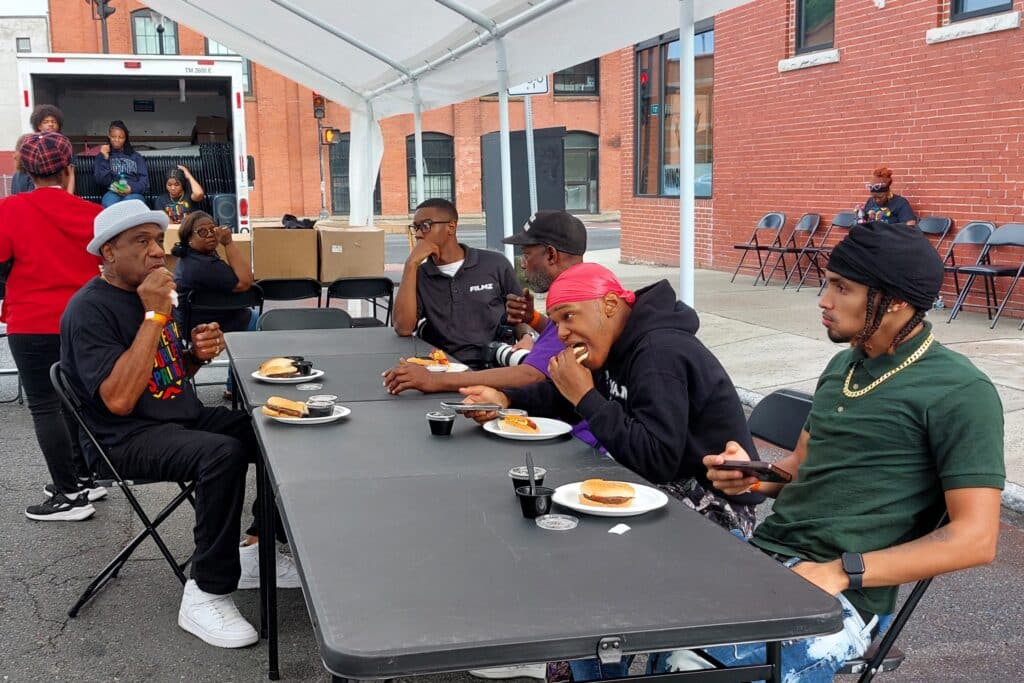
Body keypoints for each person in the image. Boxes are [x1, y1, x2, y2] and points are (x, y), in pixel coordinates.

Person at [661, 221, 1004, 681]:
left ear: (895, 300)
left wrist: (842, 572)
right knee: (626, 608)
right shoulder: (844, 365)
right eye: (828, 284)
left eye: (842, 288)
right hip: (766, 554)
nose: (824, 300)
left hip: (845, 593)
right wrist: (753, 478)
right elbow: (799, 469)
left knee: (691, 668)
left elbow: (976, 539)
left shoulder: (960, 391)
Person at [60, 200, 299, 649]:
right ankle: (206, 592)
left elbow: (164, 375)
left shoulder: (154, 291)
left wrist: (193, 356)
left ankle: (256, 548)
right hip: (122, 438)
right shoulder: (90, 309)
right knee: (221, 454)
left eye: (157, 240)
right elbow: (119, 400)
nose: (156, 251)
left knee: (276, 428)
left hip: (178, 417)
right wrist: (154, 316)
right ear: (108, 252)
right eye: (141, 241)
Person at [0, 132, 106, 521]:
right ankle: (86, 477)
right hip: (84, 320)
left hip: (32, 319)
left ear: (26, 170)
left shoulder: (11, 208)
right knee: (76, 401)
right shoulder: (93, 214)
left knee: (45, 405)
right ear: (67, 168)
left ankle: (70, 495)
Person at [383, 210, 585, 398]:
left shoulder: (576, 298)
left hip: (576, 422)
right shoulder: (579, 287)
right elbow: (554, 336)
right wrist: (533, 319)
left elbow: (530, 374)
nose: (523, 264)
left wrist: (434, 380)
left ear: (551, 255)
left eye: (526, 254)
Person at [393, 198, 523, 369]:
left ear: (451, 226)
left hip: (495, 364)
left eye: (425, 225)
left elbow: (521, 313)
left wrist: (527, 337)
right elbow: (403, 328)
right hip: (446, 367)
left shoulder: (495, 264)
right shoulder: (420, 275)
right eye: (415, 227)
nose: (418, 234)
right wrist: (411, 265)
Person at [172, 210, 255, 400]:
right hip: (206, 326)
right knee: (264, 322)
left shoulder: (192, 259)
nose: (210, 234)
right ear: (189, 239)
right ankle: (238, 386)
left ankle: (234, 385)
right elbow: (245, 281)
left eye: (213, 229)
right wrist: (228, 243)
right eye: (202, 232)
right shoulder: (202, 265)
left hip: (197, 321)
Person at [12, 105, 76, 195]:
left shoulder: (64, 145)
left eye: (54, 122)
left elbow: (71, 174)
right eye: (46, 122)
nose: (50, 124)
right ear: (38, 125)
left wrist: (69, 196)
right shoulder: (28, 143)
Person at [94, 120, 148, 208]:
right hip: (113, 192)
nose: (117, 140)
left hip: (133, 192)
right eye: (113, 137)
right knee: (109, 203)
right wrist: (106, 158)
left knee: (129, 204)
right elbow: (102, 181)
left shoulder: (136, 157)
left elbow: (144, 182)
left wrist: (131, 189)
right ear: (109, 136)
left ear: (125, 138)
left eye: (121, 137)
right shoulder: (102, 156)